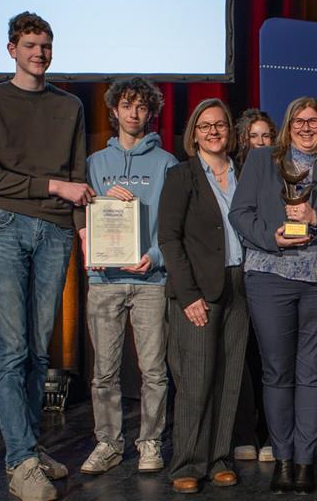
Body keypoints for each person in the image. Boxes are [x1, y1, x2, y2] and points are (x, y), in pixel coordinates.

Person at [0, 12, 94, 501]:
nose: (39, 53)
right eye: (30, 45)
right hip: (5, 226)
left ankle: (29, 446)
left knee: (40, 353)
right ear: (11, 50)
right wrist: (51, 186)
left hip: (57, 231)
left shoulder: (70, 106)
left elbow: (79, 176)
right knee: (13, 350)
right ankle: (19, 462)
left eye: (45, 45)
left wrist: (84, 234)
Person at [229, 97, 317, 494]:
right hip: (270, 276)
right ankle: (283, 459)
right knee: (277, 373)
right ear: (288, 124)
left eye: (313, 122)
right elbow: (240, 213)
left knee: (312, 375)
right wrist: (272, 238)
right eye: (299, 121)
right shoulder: (261, 160)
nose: (306, 128)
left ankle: (305, 461)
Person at [79, 78, 178, 475]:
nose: (133, 114)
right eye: (126, 105)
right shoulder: (94, 163)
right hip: (104, 281)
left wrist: (153, 257)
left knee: (153, 371)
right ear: (114, 110)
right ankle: (108, 442)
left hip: (151, 280)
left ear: (150, 112)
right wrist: (92, 237)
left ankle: (149, 440)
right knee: (104, 372)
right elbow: (84, 216)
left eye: (141, 107)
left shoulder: (167, 162)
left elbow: (174, 225)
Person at [159, 98, 249, 493]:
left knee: (229, 377)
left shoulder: (244, 173)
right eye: (205, 126)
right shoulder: (182, 176)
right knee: (196, 379)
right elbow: (169, 239)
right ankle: (187, 463)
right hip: (198, 291)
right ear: (193, 133)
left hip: (241, 285)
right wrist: (188, 293)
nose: (214, 131)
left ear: (230, 132)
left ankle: (219, 458)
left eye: (220, 125)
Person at [231, 108, 277, 462]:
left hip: (266, 273)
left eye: (266, 136)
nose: (260, 142)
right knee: (241, 358)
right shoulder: (229, 172)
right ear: (243, 139)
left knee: (269, 358)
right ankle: (243, 432)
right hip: (233, 275)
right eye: (254, 136)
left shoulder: (279, 173)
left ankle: (270, 435)